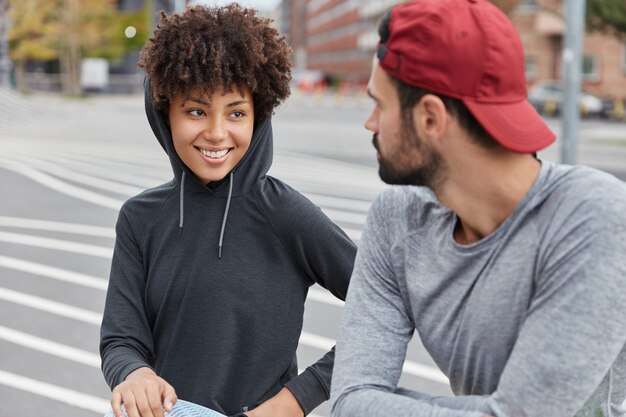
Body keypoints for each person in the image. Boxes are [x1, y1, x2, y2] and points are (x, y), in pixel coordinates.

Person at [329, 1, 626, 417]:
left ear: (431, 117)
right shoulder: (395, 221)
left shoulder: (595, 218)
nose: (371, 123)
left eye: (380, 103)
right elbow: (348, 400)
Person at [99, 4, 356, 417]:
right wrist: (135, 374)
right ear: (165, 114)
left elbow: (382, 310)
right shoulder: (139, 218)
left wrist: (295, 400)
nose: (217, 132)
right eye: (196, 111)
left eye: (236, 113)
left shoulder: (285, 214)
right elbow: (120, 337)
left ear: (260, 115)